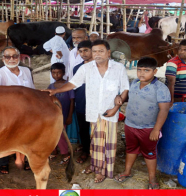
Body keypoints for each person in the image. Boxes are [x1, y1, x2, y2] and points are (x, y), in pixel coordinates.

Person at [44, 40, 129, 183]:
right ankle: (97, 167)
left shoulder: (118, 68)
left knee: (109, 142)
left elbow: (125, 87)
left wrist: (117, 105)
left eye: (101, 51)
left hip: (110, 111)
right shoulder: (86, 68)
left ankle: (105, 170)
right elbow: (73, 83)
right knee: (96, 142)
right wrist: (56, 90)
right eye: (94, 51)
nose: (97, 54)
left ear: (108, 53)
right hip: (93, 111)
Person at [114, 57, 171, 189]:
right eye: (139, 70)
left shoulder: (160, 88)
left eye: (146, 70)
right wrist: (120, 97)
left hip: (149, 128)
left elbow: (164, 110)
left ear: (155, 71)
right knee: (131, 149)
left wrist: (156, 129)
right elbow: (128, 97)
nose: (142, 73)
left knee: (149, 152)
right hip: (130, 124)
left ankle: (152, 178)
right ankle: (127, 172)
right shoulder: (134, 82)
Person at [0, 46, 35, 174]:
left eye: (14, 56)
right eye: (8, 56)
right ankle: (3, 162)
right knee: (5, 137)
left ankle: (22, 159)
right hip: (6, 113)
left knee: (25, 136)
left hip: (26, 112)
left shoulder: (26, 71)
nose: (11, 59)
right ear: (3, 58)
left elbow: (32, 90)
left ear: (19, 57)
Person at [47, 63, 74, 165]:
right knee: (53, 133)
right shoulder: (51, 86)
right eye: (53, 73)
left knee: (60, 134)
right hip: (53, 115)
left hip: (64, 114)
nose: (56, 75)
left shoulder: (68, 85)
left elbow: (72, 101)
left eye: (58, 73)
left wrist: (70, 115)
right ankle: (54, 150)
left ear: (63, 73)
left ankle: (65, 153)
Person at [73, 40, 93, 165]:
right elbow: (74, 85)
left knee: (98, 129)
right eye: (80, 51)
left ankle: (98, 152)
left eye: (86, 50)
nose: (83, 53)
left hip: (97, 104)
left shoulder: (100, 66)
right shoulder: (77, 68)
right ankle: (86, 150)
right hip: (81, 102)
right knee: (84, 129)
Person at [166, 39, 186, 105]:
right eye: (180, 49)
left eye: (185, 50)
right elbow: (170, 83)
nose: (181, 52)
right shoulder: (172, 63)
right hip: (177, 99)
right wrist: (171, 101)